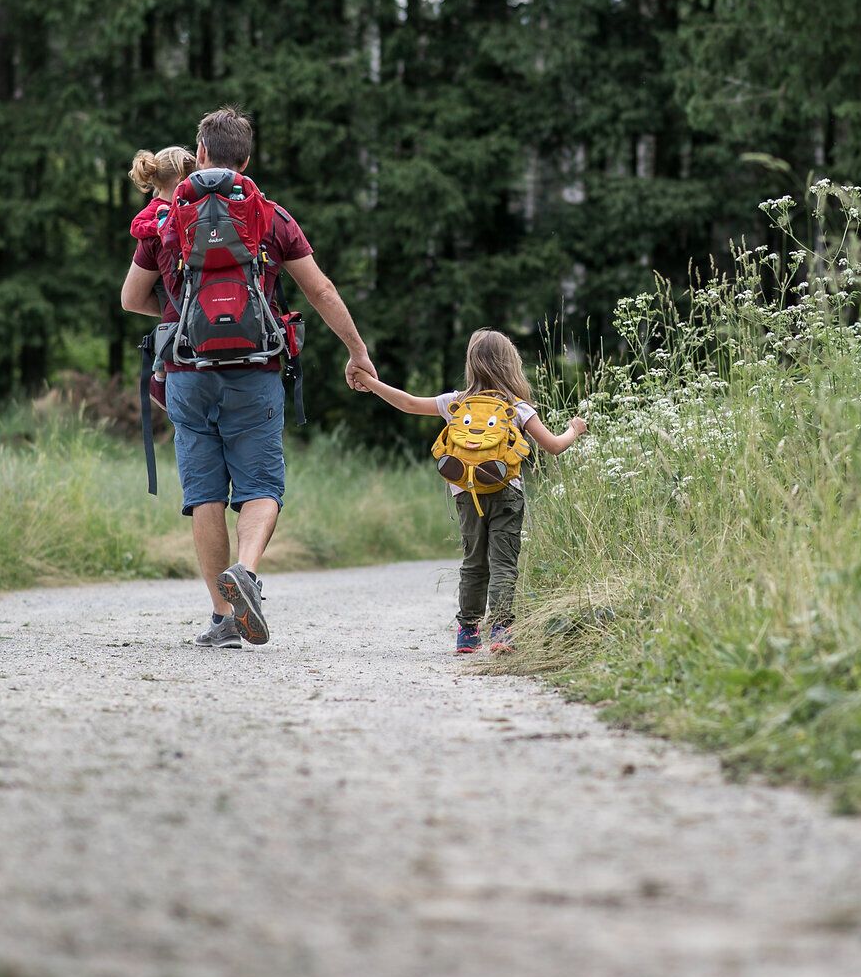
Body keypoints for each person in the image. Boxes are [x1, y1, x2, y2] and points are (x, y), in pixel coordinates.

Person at [120, 108, 375, 649]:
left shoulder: (166, 220)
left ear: (202, 154)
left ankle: (222, 618)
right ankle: (247, 572)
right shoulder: (270, 217)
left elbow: (131, 299)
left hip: (187, 373)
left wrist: (180, 312)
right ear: (247, 160)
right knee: (261, 487)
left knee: (205, 494)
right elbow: (321, 291)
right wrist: (357, 352)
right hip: (256, 372)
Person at [353, 329, 587, 654]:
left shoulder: (456, 403)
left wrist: (371, 382)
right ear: (511, 365)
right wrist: (574, 430)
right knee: (504, 563)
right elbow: (554, 446)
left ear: (472, 364)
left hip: (466, 494)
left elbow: (406, 403)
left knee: (473, 562)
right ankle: (502, 630)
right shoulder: (517, 408)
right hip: (507, 494)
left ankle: (467, 633)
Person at [125, 145, 197, 414]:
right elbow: (136, 226)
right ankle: (159, 378)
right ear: (180, 181)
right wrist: (160, 227)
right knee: (169, 329)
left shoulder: (184, 208)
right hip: (176, 313)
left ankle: (161, 377)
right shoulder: (159, 210)